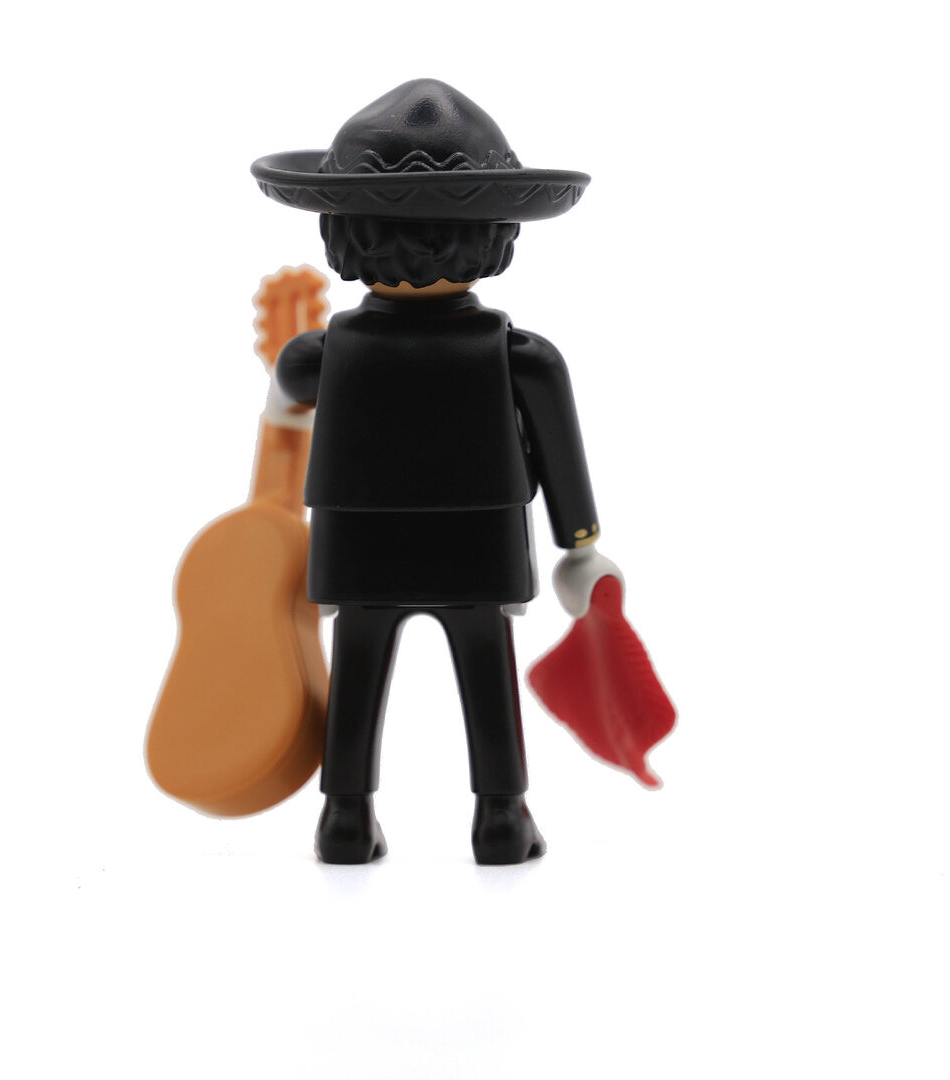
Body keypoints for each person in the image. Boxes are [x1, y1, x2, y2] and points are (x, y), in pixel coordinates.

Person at [251, 79, 616, 864]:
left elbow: (286, 392)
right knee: (487, 671)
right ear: (496, 235)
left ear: (342, 234)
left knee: (358, 670)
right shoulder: (522, 357)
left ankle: (344, 818)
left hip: (358, 547)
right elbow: (560, 453)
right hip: (478, 546)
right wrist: (580, 546)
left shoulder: (322, 354)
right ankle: (502, 817)